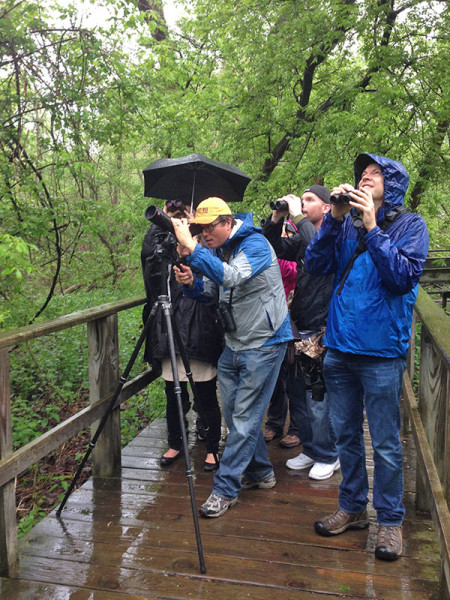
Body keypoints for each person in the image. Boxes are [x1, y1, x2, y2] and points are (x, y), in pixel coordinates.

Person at [305, 154, 429, 561]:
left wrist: (373, 227)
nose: (365, 177)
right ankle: (353, 507)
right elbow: (315, 264)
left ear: (390, 184)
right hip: (339, 348)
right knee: (345, 436)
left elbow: (401, 278)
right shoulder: (345, 224)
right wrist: (335, 220)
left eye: (374, 173)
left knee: (388, 444)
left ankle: (390, 521)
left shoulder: (411, 225)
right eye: (362, 173)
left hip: (380, 353)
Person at [172, 197, 292, 518]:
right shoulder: (217, 250)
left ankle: (225, 489)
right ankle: (260, 473)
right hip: (235, 343)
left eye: (209, 227)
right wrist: (191, 283)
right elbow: (212, 291)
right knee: (237, 416)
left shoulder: (257, 244)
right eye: (198, 229)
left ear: (227, 222)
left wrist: (193, 249)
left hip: (265, 343)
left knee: (244, 419)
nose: (203, 233)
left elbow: (231, 277)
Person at [263, 185, 339, 480]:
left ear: (327, 207)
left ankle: (328, 455)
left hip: (319, 328)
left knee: (317, 397)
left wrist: (298, 216)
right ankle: (310, 448)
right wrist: (277, 217)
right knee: (299, 396)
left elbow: (316, 246)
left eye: (310, 200)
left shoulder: (334, 234)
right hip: (299, 326)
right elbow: (272, 248)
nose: (304, 204)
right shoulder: (302, 236)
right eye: (302, 199)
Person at [141, 199, 223, 471]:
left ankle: (212, 447)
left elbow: (216, 278)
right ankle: (176, 442)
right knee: (172, 392)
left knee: (206, 392)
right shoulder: (162, 243)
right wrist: (163, 224)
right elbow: (149, 267)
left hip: (200, 327)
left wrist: (191, 238)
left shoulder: (206, 243)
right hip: (170, 327)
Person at [263, 219, 299, 447]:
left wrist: (278, 252)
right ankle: (275, 423)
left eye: (289, 233)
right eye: (281, 233)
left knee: (296, 378)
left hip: (296, 323)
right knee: (275, 377)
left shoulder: (297, 257)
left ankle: (297, 427)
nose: (284, 237)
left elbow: (292, 271)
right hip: (273, 323)